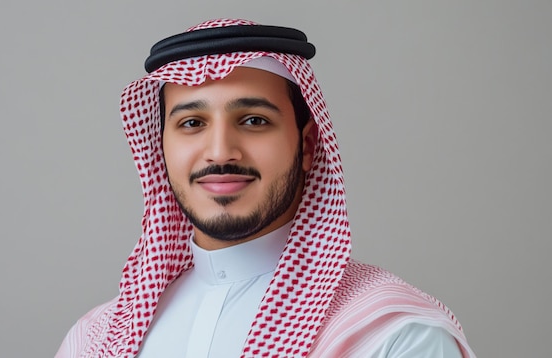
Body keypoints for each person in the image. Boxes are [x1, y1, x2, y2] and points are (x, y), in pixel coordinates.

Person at [56, 18, 476, 357]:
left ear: (308, 145)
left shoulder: (393, 336)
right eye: (191, 124)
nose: (220, 151)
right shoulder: (96, 340)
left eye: (254, 120)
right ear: (161, 150)